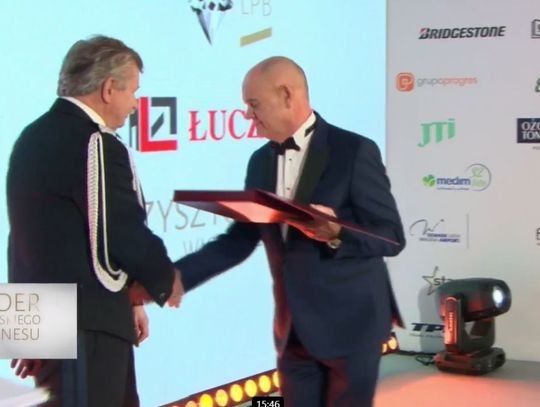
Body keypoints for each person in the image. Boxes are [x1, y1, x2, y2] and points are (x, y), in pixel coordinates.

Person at [175, 56, 406, 407]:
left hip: (352, 327)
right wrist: (179, 276)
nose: (248, 115)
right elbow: (240, 240)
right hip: (293, 332)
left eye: (254, 104)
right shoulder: (259, 161)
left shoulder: (354, 151)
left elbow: (390, 236)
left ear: (286, 95)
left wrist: (336, 232)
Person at [6, 35, 183, 407]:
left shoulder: (30, 136)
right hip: (88, 322)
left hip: (50, 319)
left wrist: (26, 331)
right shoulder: (96, 143)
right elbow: (122, 231)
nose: (135, 104)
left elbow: (25, 238)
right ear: (108, 89)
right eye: (133, 91)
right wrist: (165, 281)